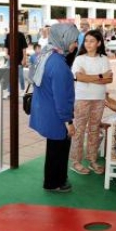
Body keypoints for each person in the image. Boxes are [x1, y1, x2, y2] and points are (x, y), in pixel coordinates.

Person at [29, 23, 77, 193]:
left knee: (53, 149)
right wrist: (68, 122)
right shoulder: (59, 65)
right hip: (56, 115)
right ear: (63, 39)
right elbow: (62, 98)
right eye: (73, 40)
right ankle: (56, 182)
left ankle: (51, 180)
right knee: (59, 150)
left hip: (46, 110)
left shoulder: (46, 54)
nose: (76, 44)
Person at [69, 29, 112, 175]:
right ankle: (76, 161)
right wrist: (100, 76)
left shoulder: (104, 59)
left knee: (94, 130)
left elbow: (109, 79)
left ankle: (92, 159)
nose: (88, 44)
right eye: (86, 40)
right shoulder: (80, 58)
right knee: (79, 130)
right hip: (82, 98)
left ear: (99, 43)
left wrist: (89, 77)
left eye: (92, 41)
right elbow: (79, 77)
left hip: (99, 99)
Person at [3, 30, 28, 99]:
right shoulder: (8, 35)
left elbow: (24, 48)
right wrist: (7, 55)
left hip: (19, 59)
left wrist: (24, 58)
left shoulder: (21, 34)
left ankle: (22, 90)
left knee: (20, 75)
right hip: (10, 60)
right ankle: (9, 91)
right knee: (9, 76)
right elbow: (6, 47)